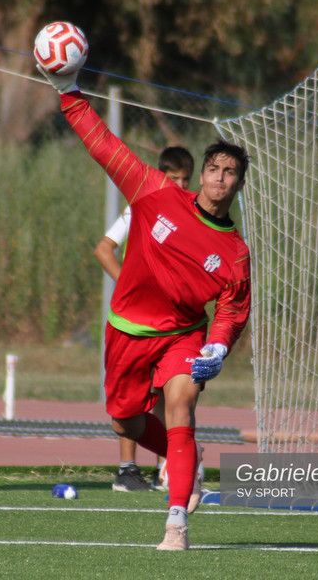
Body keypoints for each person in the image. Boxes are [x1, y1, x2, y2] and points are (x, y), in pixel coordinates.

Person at [38, 64, 251, 550]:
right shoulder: (157, 193)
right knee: (125, 422)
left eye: (230, 173)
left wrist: (217, 347)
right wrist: (68, 91)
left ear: (239, 184)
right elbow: (105, 147)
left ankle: (176, 522)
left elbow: (233, 310)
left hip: (182, 335)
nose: (220, 179)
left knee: (180, 404)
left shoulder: (235, 252)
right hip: (127, 330)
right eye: (214, 169)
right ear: (203, 173)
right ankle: (188, 461)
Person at [94, 147, 195, 493]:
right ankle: (127, 469)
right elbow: (104, 248)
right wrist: (129, 284)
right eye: (173, 179)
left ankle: (167, 467)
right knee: (132, 397)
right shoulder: (143, 204)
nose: (180, 186)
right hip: (135, 322)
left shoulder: (194, 213)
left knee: (170, 392)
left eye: (185, 179)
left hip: (171, 324)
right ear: (160, 176)